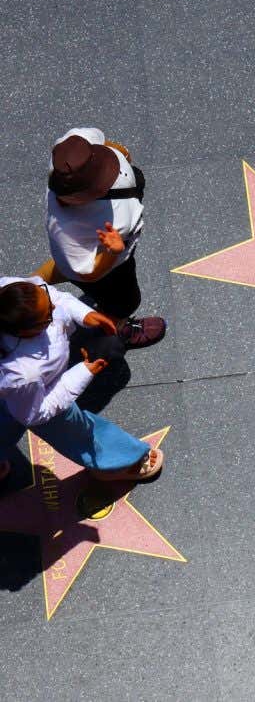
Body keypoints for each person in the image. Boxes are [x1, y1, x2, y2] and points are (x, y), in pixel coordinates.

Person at [0, 277, 162, 483]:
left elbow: (57, 297)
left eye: (47, 298)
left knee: (3, 422)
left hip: (17, 394)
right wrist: (84, 371)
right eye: (48, 315)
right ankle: (115, 462)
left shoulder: (9, 292)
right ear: (24, 331)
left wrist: (85, 314)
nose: (54, 308)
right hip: (46, 394)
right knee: (76, 429)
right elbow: (35, 413)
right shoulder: (23, 373)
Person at [38, 128, 165, 348]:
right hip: (110, 265)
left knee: (62, 267)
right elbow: (87, 273)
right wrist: (112, 251)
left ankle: (28, 285)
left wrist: (119, 153)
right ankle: (117, 328)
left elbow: (98, 140)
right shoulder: (68, 232)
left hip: (87, 251)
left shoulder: (70, 154)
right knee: (125, 303)